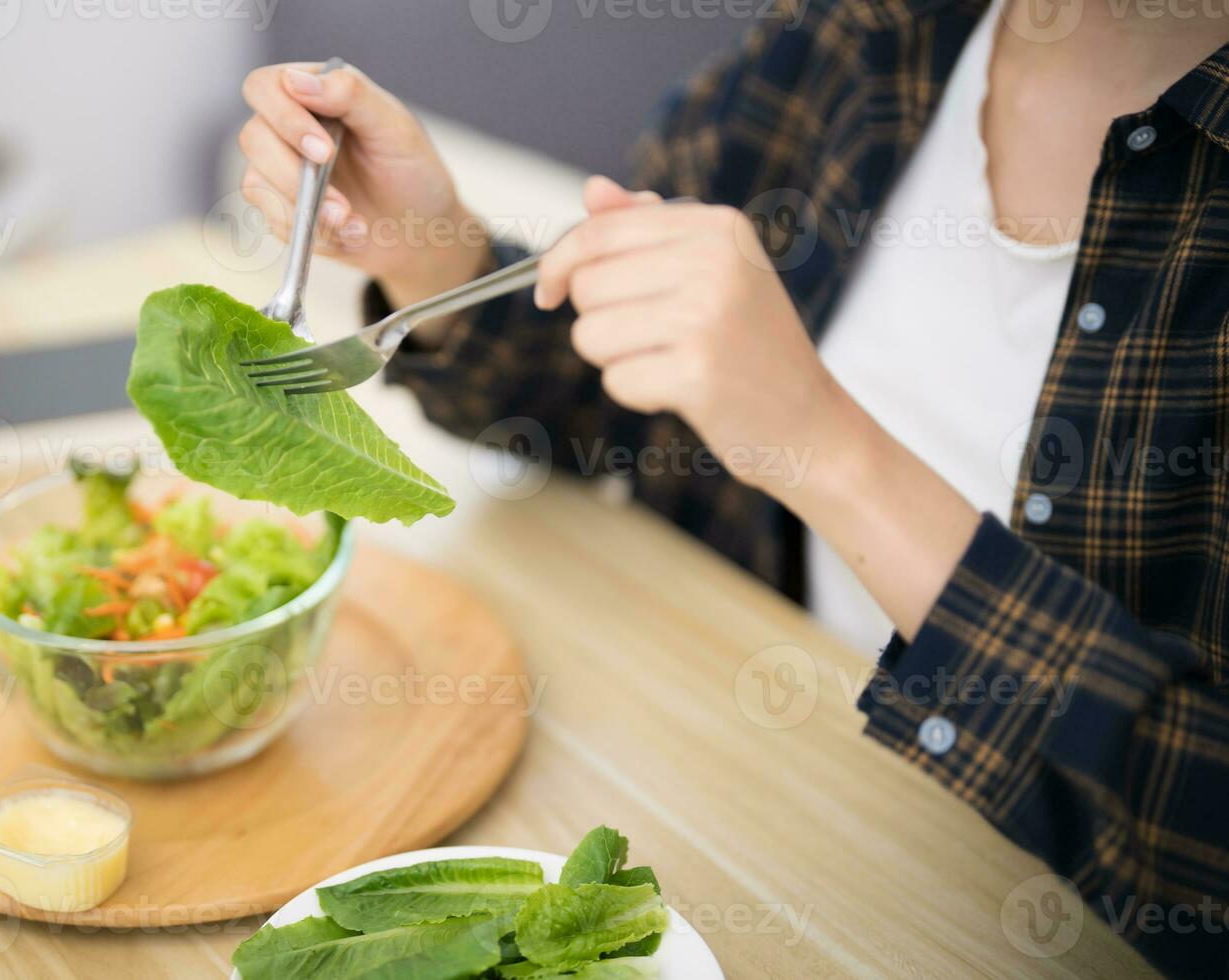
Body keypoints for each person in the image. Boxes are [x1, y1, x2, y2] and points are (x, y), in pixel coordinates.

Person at [234, 0, 1229, 973]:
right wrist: (430, 253)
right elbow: (603, 400)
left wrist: (823, 441)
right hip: (721, 794)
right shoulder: (869, 34)